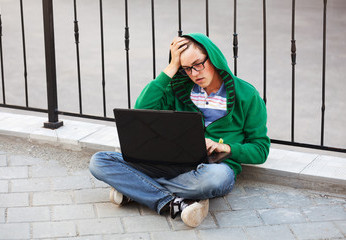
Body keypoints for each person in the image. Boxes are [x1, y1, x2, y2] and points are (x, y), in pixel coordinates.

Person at [89, 33, 270, 227]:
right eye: (186, 68)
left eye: (198, 64)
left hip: (211, 168)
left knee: (217, 179)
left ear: (213, 57)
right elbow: (142, 110)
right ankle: (175, 202)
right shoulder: (179, 89)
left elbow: (261, 149)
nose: (194, 73)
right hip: (171, 162)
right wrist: (171, 68)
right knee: (99, 161)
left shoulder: (247, 95)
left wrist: (226, 147)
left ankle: (136, 189)